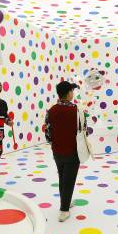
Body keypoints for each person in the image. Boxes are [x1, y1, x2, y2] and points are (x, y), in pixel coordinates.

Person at [44, 81, 86, 222]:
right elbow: (84, 128)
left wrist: (54, 143)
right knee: (69, 179)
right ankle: (64, 210)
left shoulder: (51, 110)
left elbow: (48, 131)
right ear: (69, 93)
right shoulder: (77, 110)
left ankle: (65, 202)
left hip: (57, 150)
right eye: (72, 91)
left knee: (62, 177)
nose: (72, 93)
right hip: (73, 150)